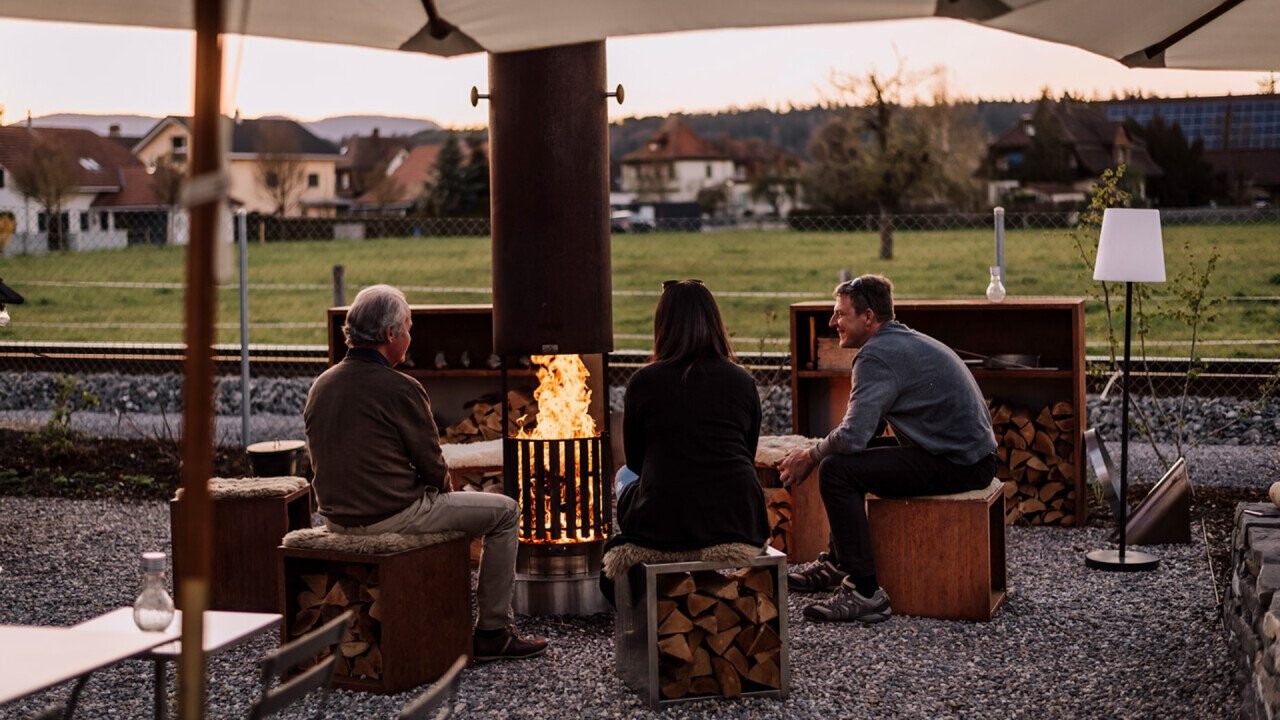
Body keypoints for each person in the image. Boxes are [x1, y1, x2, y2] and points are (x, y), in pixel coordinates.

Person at [304, 284, 547, 661]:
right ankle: (493, 632)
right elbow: (433, 465)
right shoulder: (401, 387)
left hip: (335, 517)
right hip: (391, 515)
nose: (409, 337)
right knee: (505, 512)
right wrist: (437, 491)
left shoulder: (322, 384)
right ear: (390, 334)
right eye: (408, 328)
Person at [777, 274, 996, 623]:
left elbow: (850, 437)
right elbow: (862, 434)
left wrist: (811, 456)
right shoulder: (901, 340)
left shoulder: (876, 356)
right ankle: (839, 562)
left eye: (840, 314)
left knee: (835, 470)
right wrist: (828, 449)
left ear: (867, 317)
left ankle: (865, 592)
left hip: (959, 463)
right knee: (842, 458)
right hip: (969, 455)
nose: (833, 322)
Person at [602, 279, 769, 600]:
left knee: (624, 474)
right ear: (715, 323)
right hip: (739, 516)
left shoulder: (643, 381)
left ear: (663, 325)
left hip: (663, 521)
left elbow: (635, 461)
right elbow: (747, 452)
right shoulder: (742, 380)